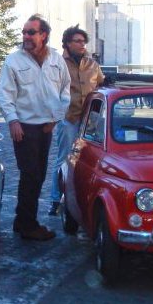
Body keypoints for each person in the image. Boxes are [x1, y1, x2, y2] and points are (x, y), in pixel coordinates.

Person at [0, 14, 70, 241]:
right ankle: (28, 225)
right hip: (24, 128)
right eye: (24, 32)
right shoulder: (14, 61)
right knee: (30, 175)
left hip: (46, 128)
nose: (26, 36)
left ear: (43, 35)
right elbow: (5, 96)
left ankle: (22, 220)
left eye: (31, 32)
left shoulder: (56, 60)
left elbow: (66, 90)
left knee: (38, 176)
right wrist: (13, 121)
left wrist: (55, 118)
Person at [48, 25, 104, 216]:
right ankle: (56, 199)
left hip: (90, 121)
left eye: (83, 41)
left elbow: (102, 85)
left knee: (88, 160)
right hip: (69, 117)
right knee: (63, 158)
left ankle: (81, 198)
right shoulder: (57, 64)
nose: (82, 45)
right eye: (78, 41)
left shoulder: (92, 65)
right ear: (67, 43)